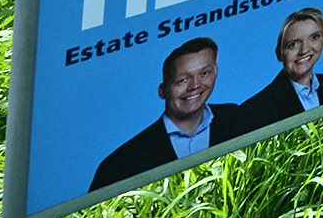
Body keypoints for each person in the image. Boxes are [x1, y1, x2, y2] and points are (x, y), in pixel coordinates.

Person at [90, 37, 229, 192]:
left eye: (204, 73)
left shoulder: (236, 118)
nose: (195, 86)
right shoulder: (120, 163)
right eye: (183, 80)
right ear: (163, 91)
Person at [231, 7, 323, 130]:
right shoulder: (255, 109)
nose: (304, 50)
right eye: (293, 45)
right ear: (279, 54)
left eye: (314, 37)